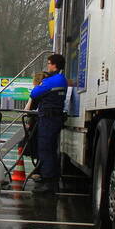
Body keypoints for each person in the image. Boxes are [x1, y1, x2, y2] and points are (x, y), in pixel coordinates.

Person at [28, 53, 67, 193]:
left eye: (49, 63)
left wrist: (40, 85)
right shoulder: (62, 79)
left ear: (55, 65)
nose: (48, 66)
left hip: (48, 119)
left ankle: (48, 182)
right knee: (50, 148)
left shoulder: (52, 80)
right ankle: (51, 179)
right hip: (54, 118)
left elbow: (34, 93)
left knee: (45, 149)